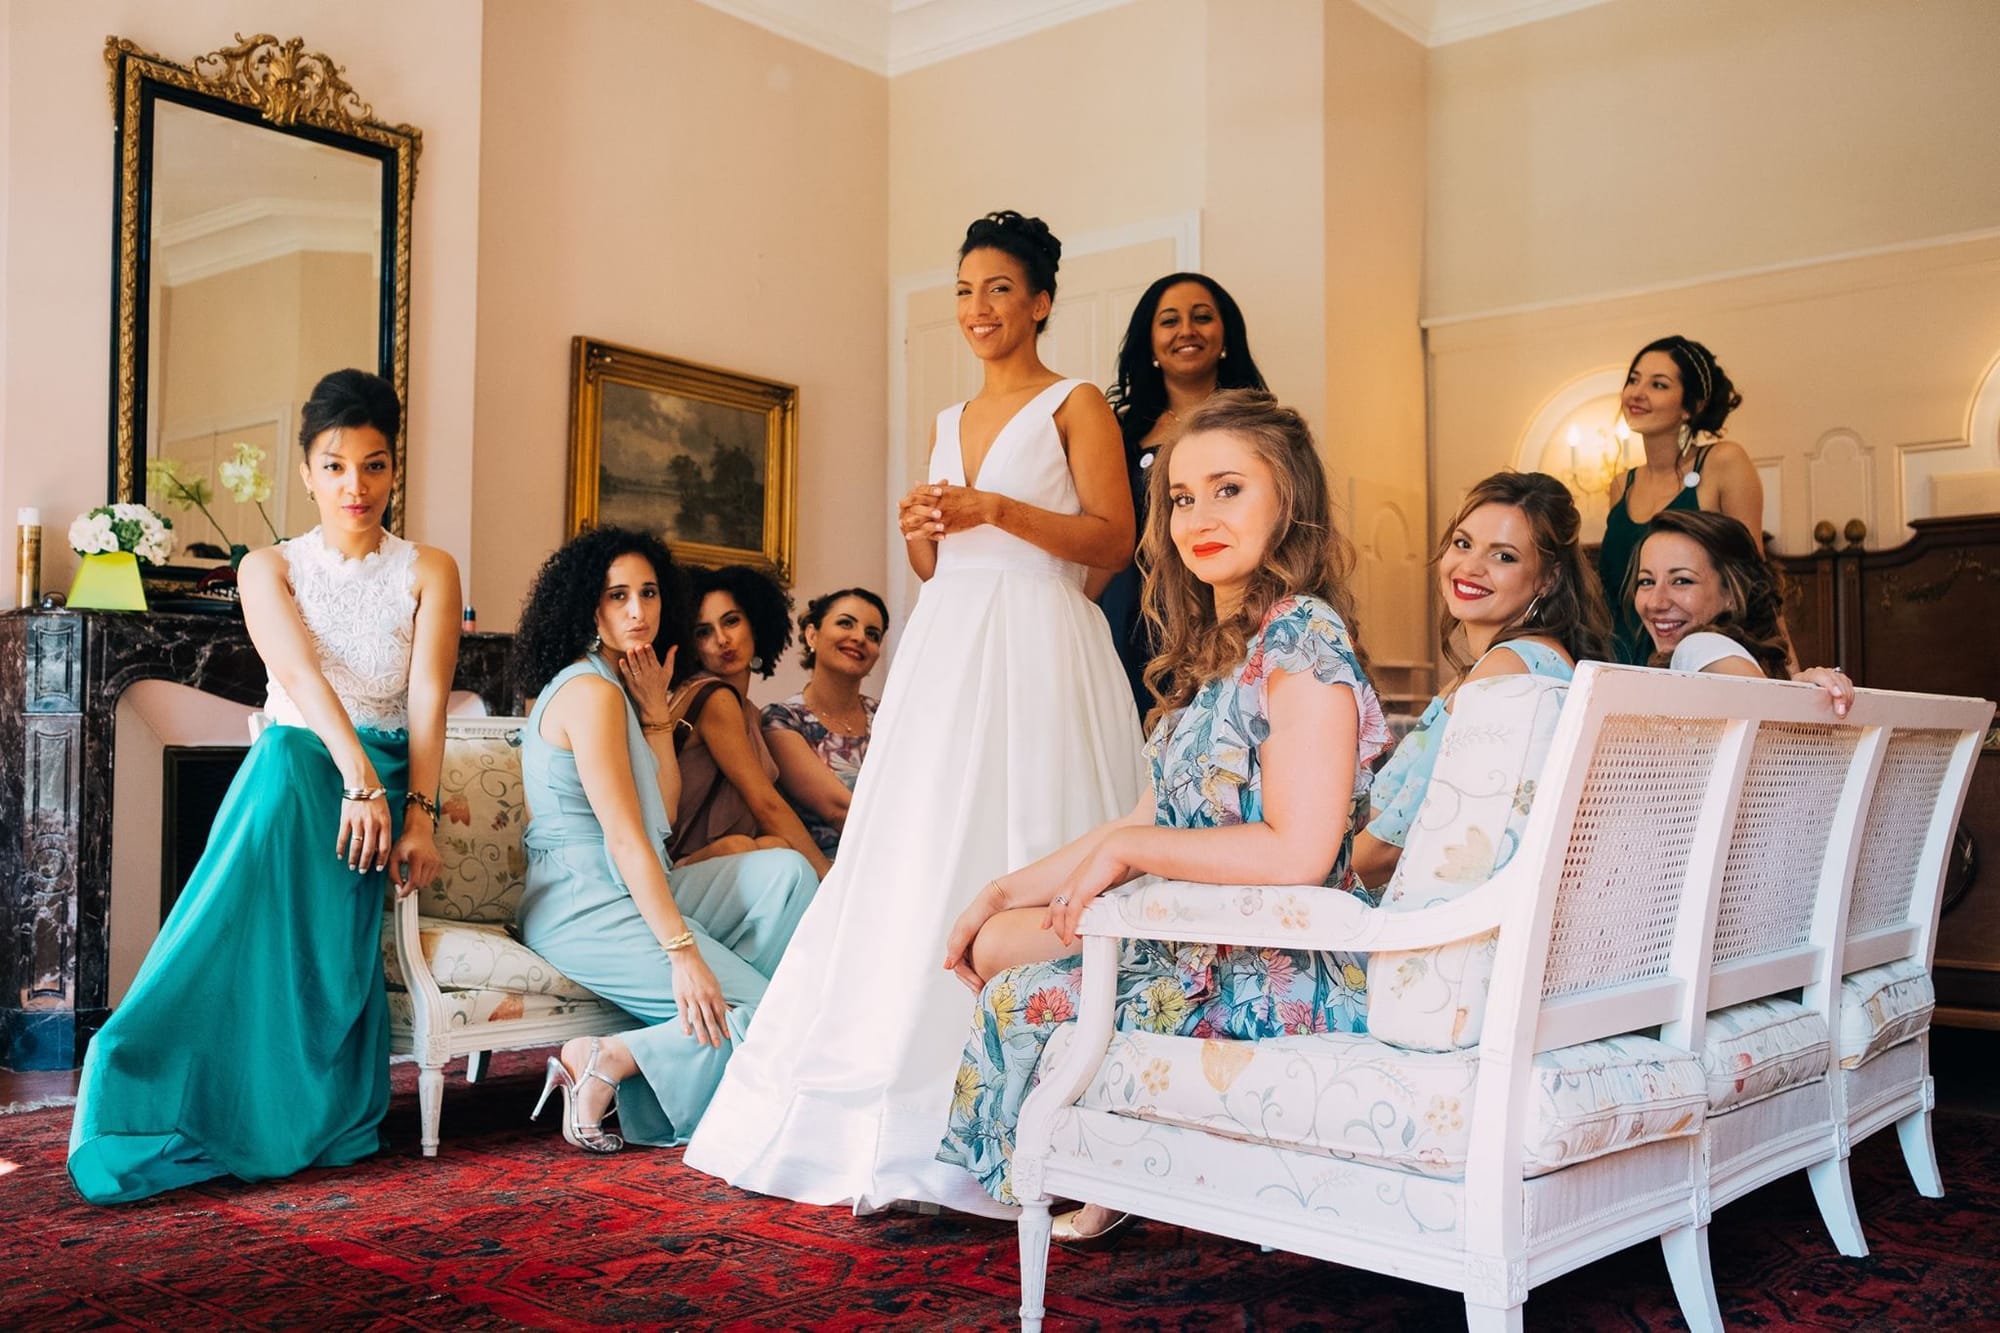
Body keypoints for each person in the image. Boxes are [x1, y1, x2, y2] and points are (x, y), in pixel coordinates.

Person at [683, 210, 1145, 1218]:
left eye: (998, 290)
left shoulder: (1075, 405)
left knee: (1030, 823)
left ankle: (1051, 1118)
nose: (978, 310)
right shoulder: (944, 421)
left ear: (1040, 301)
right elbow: (941, 568)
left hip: (1040, 644)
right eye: (964, 292)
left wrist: (995, 512)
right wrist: (922, 535)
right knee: (921, 843)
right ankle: (893, 1116)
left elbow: (1112, 539)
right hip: (948, 645)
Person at [936, 391, 1391, 1240]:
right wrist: (997, 890)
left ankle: (1084, 1172)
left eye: (1228, 490)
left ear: (1287, 499)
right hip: (1202, 934)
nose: (1198, 518)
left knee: (1018, 993)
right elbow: (1142, 815)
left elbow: (1301, 849)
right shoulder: (1222, 650)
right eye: (1182, 498)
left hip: (1279, 963)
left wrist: (1136, 849)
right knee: (994, 939)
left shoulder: (1302, 637)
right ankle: (1098, 1168)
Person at [68, 369, 462, 1203]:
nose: (355, 486)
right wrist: (357, 777)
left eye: (374, 465)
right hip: (311, 766)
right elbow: (298, 675)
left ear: (394, 469)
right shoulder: (266, 567)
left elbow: (428, 699)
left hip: (389, 779)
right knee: (283, 762)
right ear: (307, 471)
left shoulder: (429, 567)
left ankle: (309, 1102)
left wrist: (414, 810)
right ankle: (138, 1073)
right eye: (335, 465)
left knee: (297, 819)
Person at [509, 528, 819, 1152]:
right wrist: (684, 954)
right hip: (585, 904)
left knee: (786, 872)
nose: (638, 611)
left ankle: (735, 1020)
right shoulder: (590, 693)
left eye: (648, 594)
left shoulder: (617, 688)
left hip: (638, 880)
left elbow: (662, 816)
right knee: (781, 1015)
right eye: (617, 595)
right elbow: (625, 842)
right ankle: (608, 1059)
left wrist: (655, 718)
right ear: (587, 607)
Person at [1351, 471, 1612, 889]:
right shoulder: (1520, 665)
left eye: (1503, 556)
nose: (1470, 567)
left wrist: (1293, 886)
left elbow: (1391, 847)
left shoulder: (1507, 671)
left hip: (1424, 920)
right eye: (1463, 543)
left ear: (1548, 578)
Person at [1096, 273, 1269, 714]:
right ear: (1149, 342)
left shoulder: (1259, 425)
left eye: (1202, 317)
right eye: (1170, 321)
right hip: (1132, 609)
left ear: (1226, 334)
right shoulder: (1118, 434)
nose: (1187, 330)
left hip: (1225, 600)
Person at [1598, 336, 1766, 664]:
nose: (1637, 393)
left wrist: (1790, 675)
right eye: (1634, 380)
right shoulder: (1622, 484)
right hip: (1622, 658)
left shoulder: (1724, 462)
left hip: (1702, 658)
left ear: (1692, 405)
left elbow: (1757, 584)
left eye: (1658, 384)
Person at [666, 564, 831, 879]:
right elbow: (764, 804)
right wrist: (825, 872)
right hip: (679, 868)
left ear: (755, 624)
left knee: (774, 845)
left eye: (731, 621)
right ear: (693, 648)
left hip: (717, 864)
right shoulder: (715, 698)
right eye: (704, 632)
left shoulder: (752, 712)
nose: (722, 639)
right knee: (750, 849)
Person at [1629, 509, 1853, 714]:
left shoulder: (1699, 646)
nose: (1655, 602)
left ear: (1732, 593)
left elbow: (1766, 719)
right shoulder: (1730, 656)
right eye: (1646, 581)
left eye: (1681, 580)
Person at [761, 587, 889, 860]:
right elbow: (836, 810)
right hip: (821, 869)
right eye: (846, 623)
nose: (859, 638)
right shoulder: (781, 720)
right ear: (812, 635)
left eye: (872, 634)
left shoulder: (887, 717)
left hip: (891, 856)